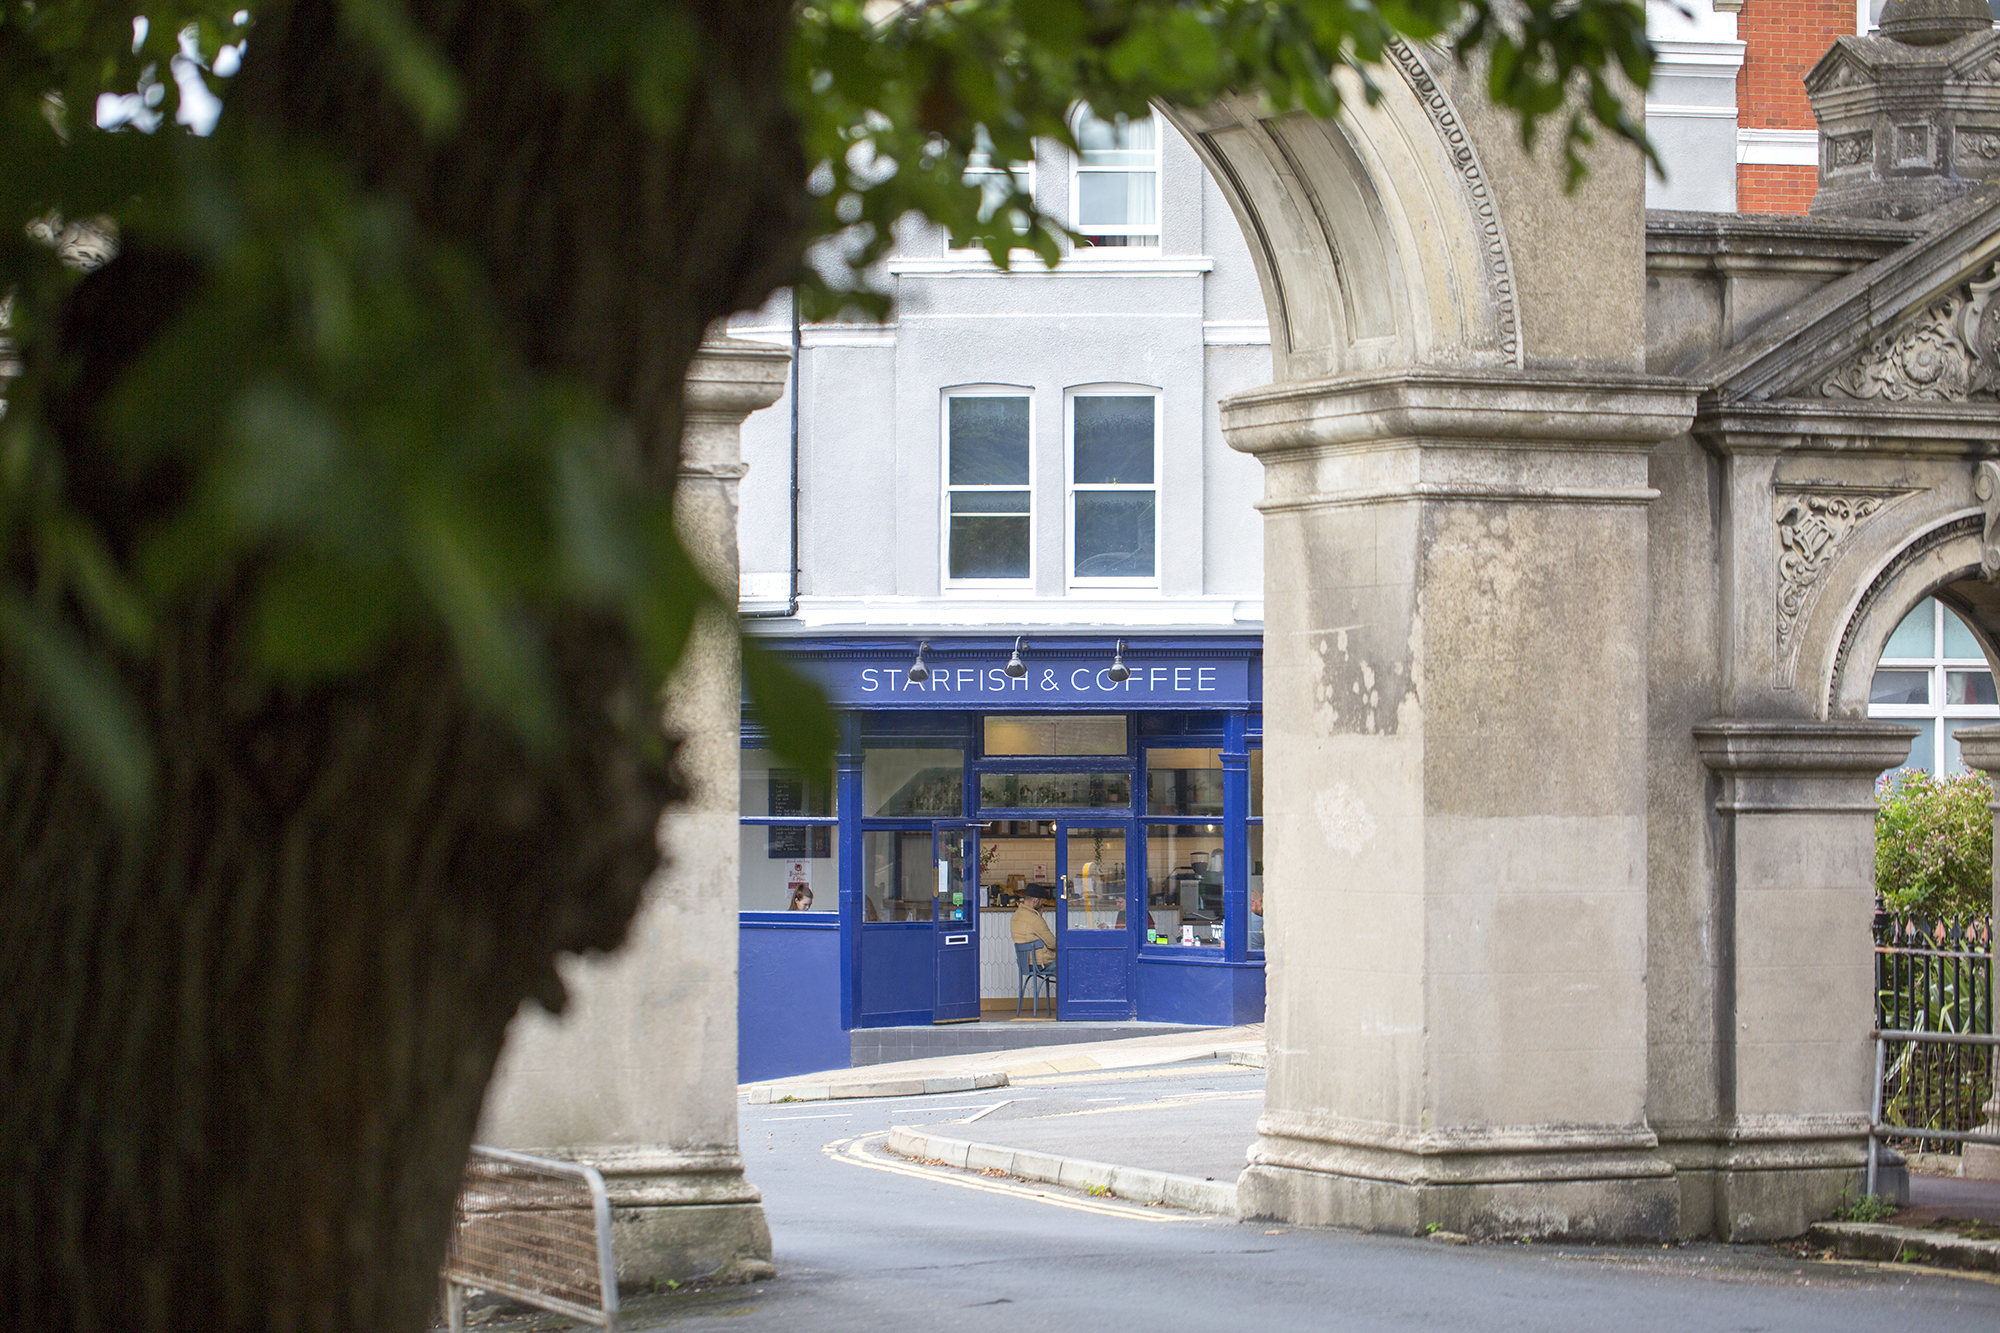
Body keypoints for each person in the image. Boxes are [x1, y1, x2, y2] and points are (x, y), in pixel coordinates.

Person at [1010, 887, 1058, 975]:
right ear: (1036, 900)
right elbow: (1053, 944)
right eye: (1041, 902)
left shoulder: (1015, 917)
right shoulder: (1035, 919)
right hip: (1041, 964)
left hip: (1025, 965)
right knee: (1071, 964)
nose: (1042, 905)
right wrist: (1040, 918)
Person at [1247, 886, 1264, 951]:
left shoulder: (1229, 921)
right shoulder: (1262, 922)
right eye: (1261, 901)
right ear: (1252, 903)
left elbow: (1223, 946)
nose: (1262, 905)